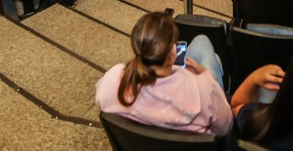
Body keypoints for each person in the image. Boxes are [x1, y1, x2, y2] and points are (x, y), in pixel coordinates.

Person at [95, 11, 232, 136]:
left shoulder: (112, 80)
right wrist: (205, 75)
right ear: (173, 52)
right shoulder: (204, 90)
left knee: (212, 55)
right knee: (204, 45)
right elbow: (226, 128)